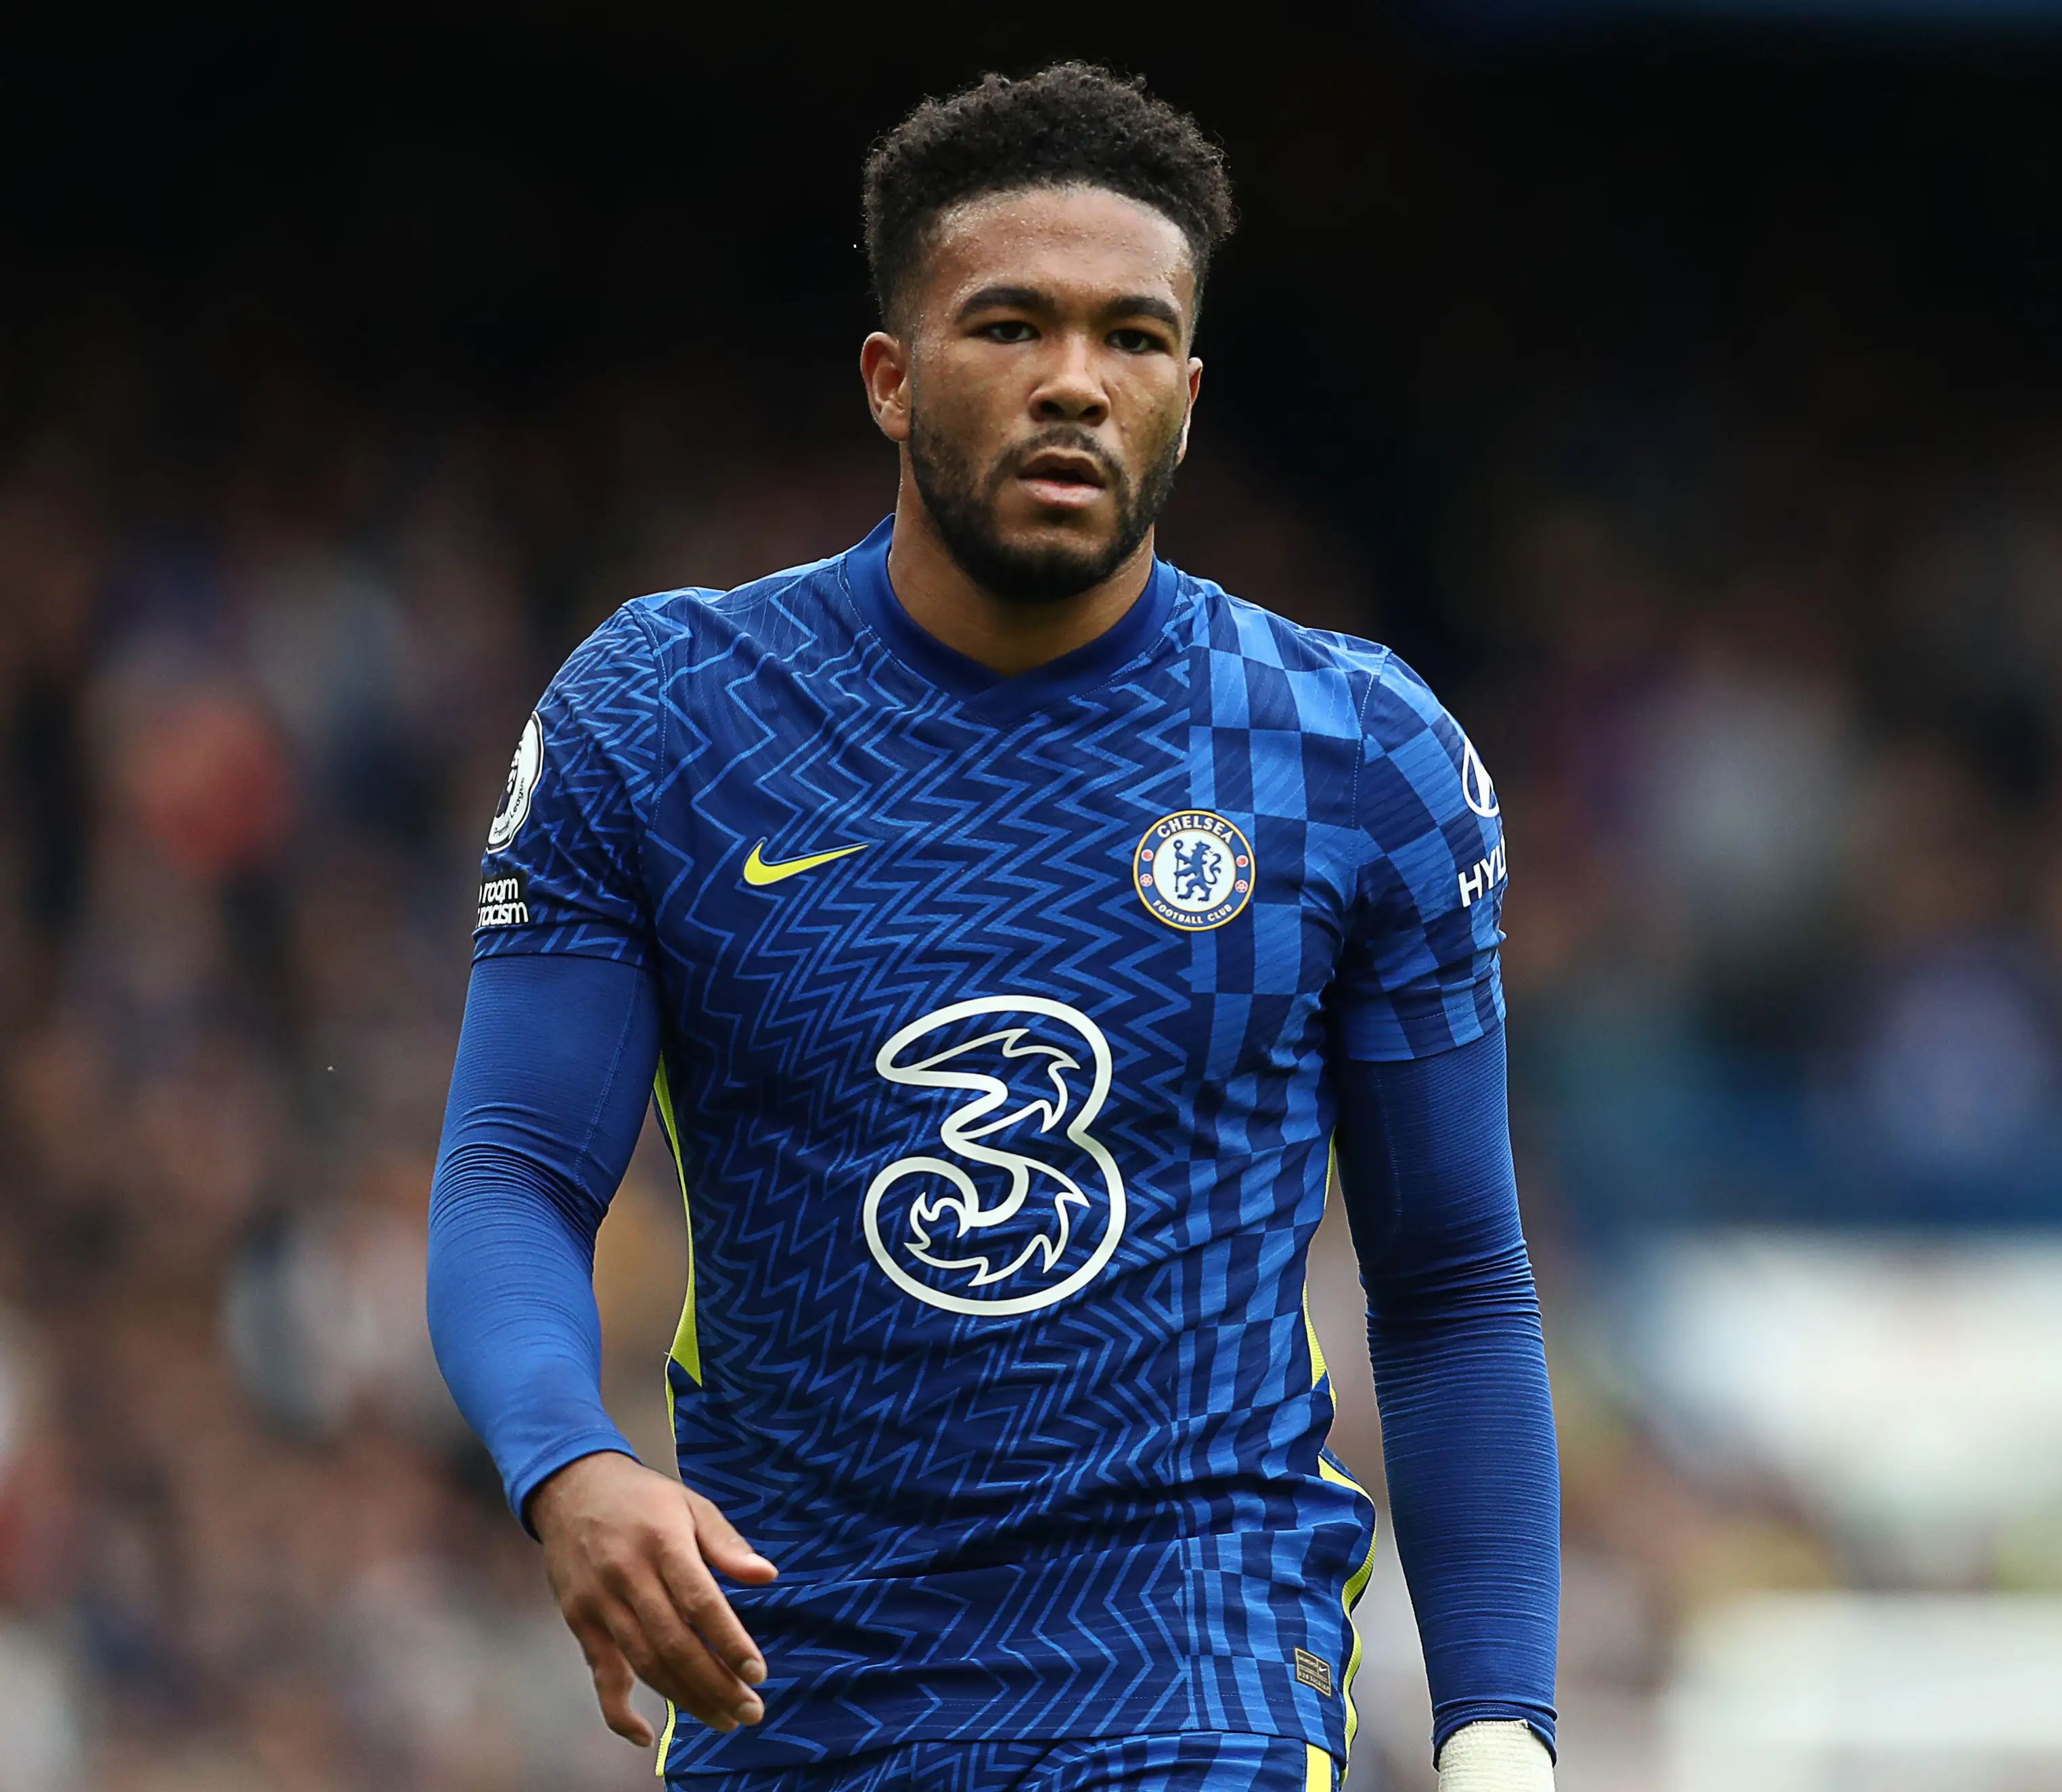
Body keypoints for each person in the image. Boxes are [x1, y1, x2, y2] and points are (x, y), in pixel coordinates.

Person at [427, 63, 1558, 1792]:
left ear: (1191, 384)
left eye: (1131, 337)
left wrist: (1498, 1731)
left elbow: (1455, 1278)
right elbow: (512, 1169)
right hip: (789, 1690)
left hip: (1196, 1684)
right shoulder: (667, 719)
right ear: (891, 378)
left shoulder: (1352, 751)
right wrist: (565, 1462)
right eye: (1011, 327)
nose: (1074, 386)